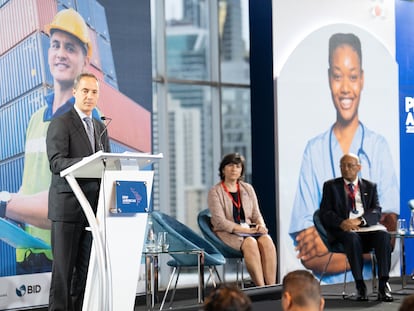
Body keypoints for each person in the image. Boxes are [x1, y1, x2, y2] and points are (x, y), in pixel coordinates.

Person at [289, 32, 399, 283]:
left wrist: (355, 230)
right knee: (356, 238)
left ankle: (381, 288)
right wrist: (351, 235)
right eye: (338, 76)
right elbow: (308, 252)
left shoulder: (378, 149)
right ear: (329, 79)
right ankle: (360, 285)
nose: (346, 87)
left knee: (380, 238)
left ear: (362, 79)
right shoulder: (315, 154)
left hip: (362, 235)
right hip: (337, 260)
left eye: (352, 76)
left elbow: (390, 232)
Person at [0, 8, 100, 274]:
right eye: (55, 45)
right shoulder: (35, 119)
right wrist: (8, 203)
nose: (60, 54)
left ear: (85, 61)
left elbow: (64, 204)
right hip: (29, 259)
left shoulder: (88, 121)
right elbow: (28, 186)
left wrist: (5, 205)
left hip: (64, 260)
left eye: (70, 48)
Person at [46, 72, 110, 311]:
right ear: (74, 93)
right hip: (68, 208)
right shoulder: (61, 123)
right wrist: (88, 162)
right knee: (63, 274)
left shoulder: (101, 127)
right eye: (85, 91)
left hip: (93, 211)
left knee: (84, 274)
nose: (90, 96)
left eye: (94, 92)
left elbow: (107, 166)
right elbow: (56, 162)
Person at [319, 153, 393, 302]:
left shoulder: (370, 186)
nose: (345, 169)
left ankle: (383, 285)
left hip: (366, 229)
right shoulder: (331, 186)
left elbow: (376, 210)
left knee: (384, 236)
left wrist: (361, 220)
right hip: (345, 232)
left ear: (359, 167)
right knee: (352, 238)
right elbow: (325, 212)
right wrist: (342, 223)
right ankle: (360, 286)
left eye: (349, 165)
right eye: (342, 166)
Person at [208, 153, 277, 287]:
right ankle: (261, 288)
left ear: (241, 170)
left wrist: (261, 225)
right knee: (250, 242)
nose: (234, 169)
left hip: (248, 230)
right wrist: (245, 230)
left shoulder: (248, 188)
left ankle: (271, 287)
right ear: (223, 170)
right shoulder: (215, 191)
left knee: (266, 240)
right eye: (230, 165)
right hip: (227, 233)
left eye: (237, 166)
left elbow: (257, 214)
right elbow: (219, 222)